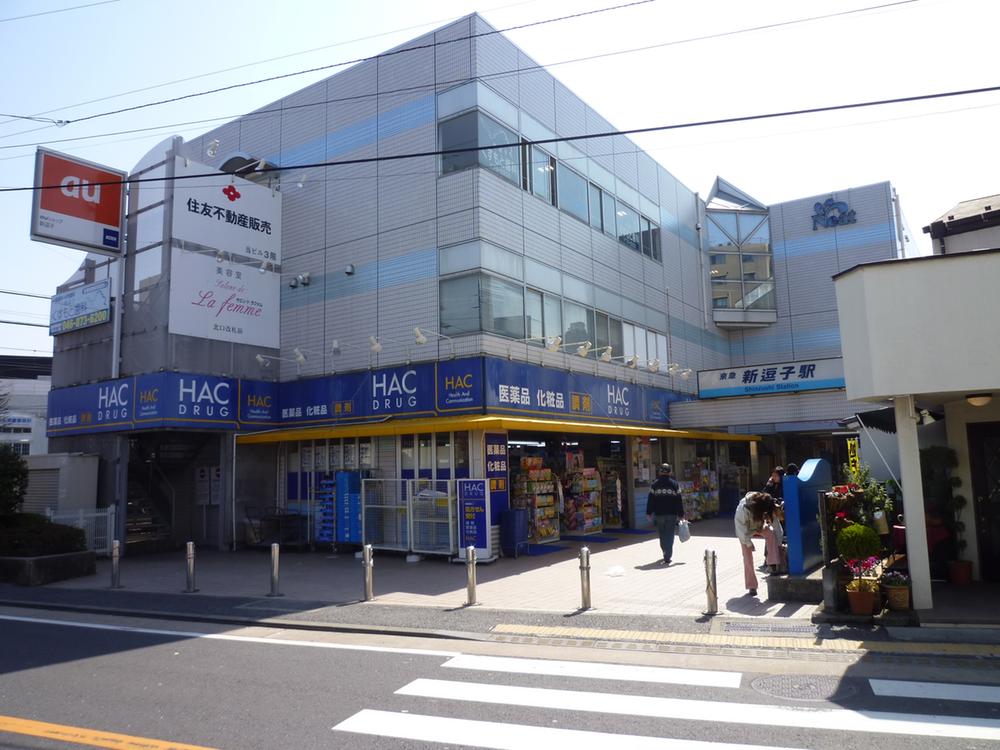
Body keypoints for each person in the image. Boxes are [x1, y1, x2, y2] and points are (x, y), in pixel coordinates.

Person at [734, 491, 783, 597]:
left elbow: (776, 526)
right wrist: (748, 543)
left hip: (758, 526)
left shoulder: (767, 504)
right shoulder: (742, 509)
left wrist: (778, 543)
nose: (766, 515)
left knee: (770, 533)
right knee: (747, 557)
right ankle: (752, 586)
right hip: (745, 531)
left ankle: (773, 564)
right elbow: (740, 529)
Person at [646, 463, 684, 565]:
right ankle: (668, 555)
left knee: (662, 534)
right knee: (670, 534)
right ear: (670, 472)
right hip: (672, 514)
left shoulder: (654, 484)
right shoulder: (675, 484)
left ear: (660, 472)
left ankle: (665, 551)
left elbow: (651, 499)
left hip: (659, 514)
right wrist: (681, 513)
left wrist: (649, 512)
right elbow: (679, 500)